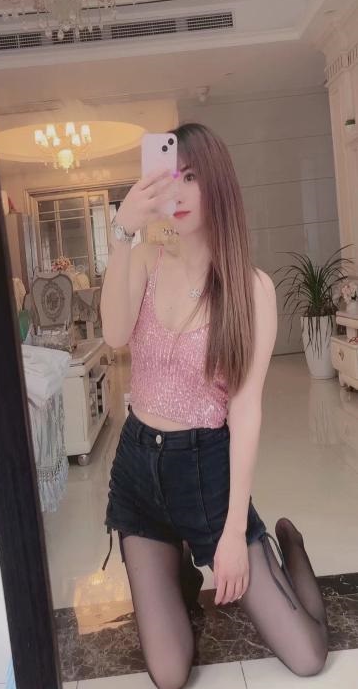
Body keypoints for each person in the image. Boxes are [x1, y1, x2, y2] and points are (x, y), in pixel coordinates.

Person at [100, 123, 328, 689]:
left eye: (192, 177)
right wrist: (122, 233)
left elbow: (246, 412)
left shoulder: (251, 290)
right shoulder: (147, 258)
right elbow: (114, 333)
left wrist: (231, 537)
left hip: (207, 476)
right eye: (170, 176)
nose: (177, 192)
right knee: (169, 675)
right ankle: (175, 566)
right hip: (138, 475)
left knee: (308, 656)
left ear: (218, 184)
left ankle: (290, 546)